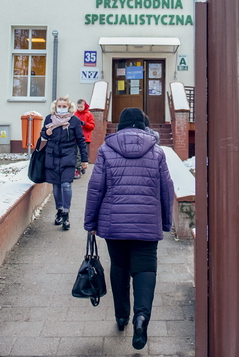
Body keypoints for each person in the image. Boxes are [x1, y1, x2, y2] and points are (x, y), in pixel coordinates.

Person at [84, 107, 173, 351]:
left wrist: (90, 222)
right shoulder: (156, 152)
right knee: (146, 269)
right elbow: (167, 189)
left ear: (120, 126)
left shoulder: (105, 150)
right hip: (146, 223)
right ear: (144, 126)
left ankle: (121, 317)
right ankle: (141, 318)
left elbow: (95, 189)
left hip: (114, 224)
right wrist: (166, 222)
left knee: (120, 267)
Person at [41, 96, 88, 230]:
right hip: (53, 155)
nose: (61, 108)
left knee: (66, 185)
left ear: (69, 107)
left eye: (64, 106)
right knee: (56, 186)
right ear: (55, 107)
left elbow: (81, 141)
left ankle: (66, 213)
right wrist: (47, 132)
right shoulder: (49, 119)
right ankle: (59, 210)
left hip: (68, 155)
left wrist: (84, 159)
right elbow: (43, 134)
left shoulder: (74, 121)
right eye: (59, 106)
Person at [74, 98, 96, 178]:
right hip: (76, 138)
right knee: (77, 154)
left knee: (81, 154)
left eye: (81, 107)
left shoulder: (88, 114)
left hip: (85, 138)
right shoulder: (75, 114)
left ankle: (79, 169)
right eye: (78, 107)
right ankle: (79, 168)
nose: (79, 108)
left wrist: (85, 124)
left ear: (84, 106)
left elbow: (92, 126)